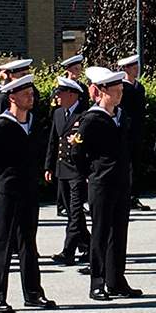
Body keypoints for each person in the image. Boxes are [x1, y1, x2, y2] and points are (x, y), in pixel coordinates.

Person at [0, 74, 59, 310]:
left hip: (29, 190)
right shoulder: (1, 124)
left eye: (32, 93)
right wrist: (2, 176)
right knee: (2, 243)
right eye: (26, 94)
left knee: (28, 243)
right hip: (8, 191)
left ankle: (33, 292)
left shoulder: (33, 122)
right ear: (12, 97)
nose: (31, 97)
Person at [76, 66, 140, 300]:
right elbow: (77, 153)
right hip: (101, 183)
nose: (120, 93)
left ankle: (116, 280)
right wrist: (91, 174)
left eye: (121, 89)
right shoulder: (91, 119)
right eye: (115, 89)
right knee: (101, 233)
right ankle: (98, 281)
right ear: (102, 91)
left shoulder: (122, 117)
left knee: (119, 232)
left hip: (121, 182)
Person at [46, 77, 91, 266]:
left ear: (72, 95)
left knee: (74, 210)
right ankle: (89, 245)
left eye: (61, 93)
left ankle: (68, 251)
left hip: (77, 170)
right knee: (74, 213)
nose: (57, 97)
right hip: (61, 168)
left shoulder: (84, 115)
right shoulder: (58, 114)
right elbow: (53, 141)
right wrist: (48, 166)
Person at [117, 55, 153, 212]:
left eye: (136, 66)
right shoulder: (122, 88)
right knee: (126, 164)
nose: (136, 69)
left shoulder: (139, 87)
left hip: (138, 131)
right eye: (133, 67)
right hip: (126, 132)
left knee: (136, 164)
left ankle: (134, 195)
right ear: (125, 69)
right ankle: (125, 195)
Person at [56, 54, 89, 214]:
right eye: (75, 69)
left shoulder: (82, 88)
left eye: (79, 69)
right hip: (64, 126)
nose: (78, 72)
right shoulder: (60, 88)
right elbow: (55, 112)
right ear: (68, 70)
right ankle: (61, 204)